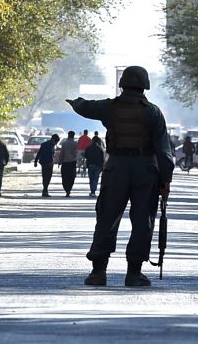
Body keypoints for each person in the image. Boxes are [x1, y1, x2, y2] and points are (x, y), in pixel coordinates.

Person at [66, 65, 174, 288]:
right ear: (145, 85)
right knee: (143, 220)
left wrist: (75, 102)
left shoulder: (110, 108)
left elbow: (86, 107)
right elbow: (164, 151)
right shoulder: (153, 112)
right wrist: (165, 181)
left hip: (116, 167)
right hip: (145, 169)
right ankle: (134, 273)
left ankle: (98, 272)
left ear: (122, 84)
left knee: (107, 217)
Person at [59, 131, 80, 196]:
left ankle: (66, 189)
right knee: (72, 176)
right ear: (73, 136)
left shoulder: (64, 143)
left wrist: (60, 161)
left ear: (68, 135)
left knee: (64, 176)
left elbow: (62, 153)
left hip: (65, 162)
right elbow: (77, 153)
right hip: (73, 162)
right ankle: (69, 189)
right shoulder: (75, 144)